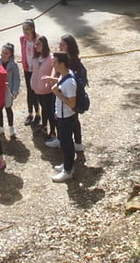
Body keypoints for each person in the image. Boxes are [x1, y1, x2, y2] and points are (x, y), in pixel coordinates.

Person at [45, 52, 78, 182]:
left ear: (61, 64)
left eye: (54, 62)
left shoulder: (69, 82)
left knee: (67, 144)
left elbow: (72, 103)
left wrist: (57, 93)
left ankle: (68, 171)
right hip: (62, 115)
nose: (52, 64)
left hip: (67, 117)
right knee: (65, 143)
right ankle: (67, 164)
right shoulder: (64, 75)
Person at [57, 34, 87, 152]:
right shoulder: (64, 59)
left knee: (73, 120)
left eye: (63, 44)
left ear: (69, 46)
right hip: (64, 93)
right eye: (60, 43)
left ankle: (77, 143)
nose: (60, 46)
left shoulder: (74, 62)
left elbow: (71, 80)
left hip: (70, 95)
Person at [30, 35, 56, 141]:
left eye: (38, 44)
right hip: (37, 89)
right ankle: (44, 127)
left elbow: (54, 71)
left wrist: (50, 81)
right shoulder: (36, 58)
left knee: (50, 112)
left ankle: (53, 131)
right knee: (44, 109)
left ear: (44, 44)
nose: (36, 46)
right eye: (35, 44)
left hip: (47, 91)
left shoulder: (51, 58)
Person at [19, 19, 41, 126]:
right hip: (27, 69)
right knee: (29, 91)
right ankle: (30, 113)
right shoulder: (22, 39)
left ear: (33, 28)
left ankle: (38, 114)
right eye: (24, 30)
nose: (25, 32)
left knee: (35, 91)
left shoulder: (38, 39)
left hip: (36, 70)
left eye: (27, 29)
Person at [0, 42, 21, 139]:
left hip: (8, 90)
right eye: (3, 52)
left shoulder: (13, 64)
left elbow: (16, 78)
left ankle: (11, 127)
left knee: (8, 108)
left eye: (6, 53)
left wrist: (15, 91)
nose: (4, 54)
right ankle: (0, 126)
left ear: (11, 54)